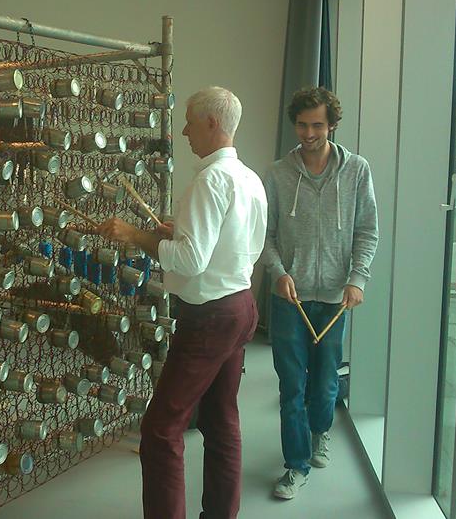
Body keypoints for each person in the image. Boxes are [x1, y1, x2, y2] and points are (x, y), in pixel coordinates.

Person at [96, 86, 267, 518]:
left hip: (210, 318)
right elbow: (242, 245)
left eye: (190, 122)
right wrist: (180, 232)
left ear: (212, 123)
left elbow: (191, 262)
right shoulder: (249, 178)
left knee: (160, 428)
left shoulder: (209, 181)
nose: (185, 131)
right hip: (241, 306)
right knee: (222, 421)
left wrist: (134, 235)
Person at [262, 87, 378, 499]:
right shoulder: (277, 173)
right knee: (291, 385)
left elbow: (367, 230)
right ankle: (296, 466)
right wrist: (278, 272)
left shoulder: (357, 170)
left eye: (317, 125)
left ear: (332, 125)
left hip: (333, 298)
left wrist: (357, 278)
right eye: (301, 125)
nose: (308, 133)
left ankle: (320, 430)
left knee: (325, 381)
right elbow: (265, 234)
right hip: (289, 299)